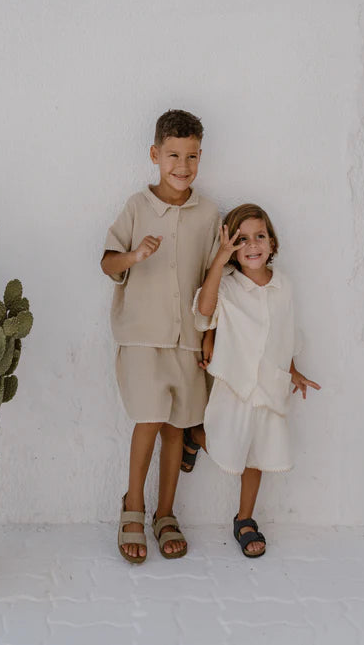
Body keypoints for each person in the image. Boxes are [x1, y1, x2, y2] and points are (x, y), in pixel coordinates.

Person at [101, 109, 220, 563]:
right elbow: (107, 263)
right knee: (148, 421)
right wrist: (134, 256)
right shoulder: (136, 207)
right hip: (141, 338)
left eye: (191, 156)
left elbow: (214, 279)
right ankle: (134, 506)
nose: (182, 165)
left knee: (177, 427)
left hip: (187, 340)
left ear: (200, 157)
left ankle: (165, 512)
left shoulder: (209, 214)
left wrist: (209, 337)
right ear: (155, 154)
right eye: (173, 154)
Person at [188, 203, 321, 557]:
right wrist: (220, 258)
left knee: (256, 456)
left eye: (259, 237)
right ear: (231, 247)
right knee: (226, 444)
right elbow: (204, 310)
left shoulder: (284, 286)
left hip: (269, 384)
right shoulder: (228, 285)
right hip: (235, 382)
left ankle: (245, 518)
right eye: (241, 239)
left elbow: (285, 333)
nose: (251, 245)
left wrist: (293, 370)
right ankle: (195, 435)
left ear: (272, 242)